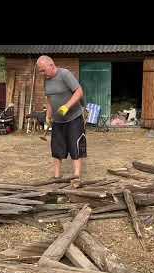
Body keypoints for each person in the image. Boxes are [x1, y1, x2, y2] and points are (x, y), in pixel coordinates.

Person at [36, 55, 86, 187]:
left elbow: (79, 91)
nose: (42, 73)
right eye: (40, 71)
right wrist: (48, 115)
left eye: (43, 70)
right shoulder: (46, 80)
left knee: (75, 145)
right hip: (58, 120)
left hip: (73, 117)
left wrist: (67, 106)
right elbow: (49, 99)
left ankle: (76, 176)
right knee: (57, 147)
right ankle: (57, 176)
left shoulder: (65, 74)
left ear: (51, 65)